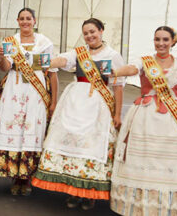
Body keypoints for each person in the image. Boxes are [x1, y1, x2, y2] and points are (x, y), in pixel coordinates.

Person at [109, 26, 177, 215]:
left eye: (165, 40)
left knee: (171, 162)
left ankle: (169, 206)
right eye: (157, 39)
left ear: (172, 41)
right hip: (146, 116)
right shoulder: (144, 61)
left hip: (173, 120)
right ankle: (140, 206)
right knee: (144, 157)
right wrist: (117, 72)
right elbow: (132, 68)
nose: (160, 43)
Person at [31, 18, 124, 210]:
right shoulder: (78, 53)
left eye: (93, 32)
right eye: (86, 33)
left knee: (91, 146)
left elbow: (119, 86)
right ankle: (73, 190)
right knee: (73, 142)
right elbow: (63, 60)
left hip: (99, 106)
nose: (90, 36)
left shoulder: (112, 55)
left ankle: (89, 194)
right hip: (76, 103)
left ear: (101, 30)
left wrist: (117, 114)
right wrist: (40, 60)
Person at [0, 8, 59, 196]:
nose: (25, 22)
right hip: (14, 90)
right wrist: (3, 57)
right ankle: (16, 176)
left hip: (37, 92)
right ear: (17, 21)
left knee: (33, 131)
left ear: (34, 21)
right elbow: (5, 67)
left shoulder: (44, 42)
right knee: (15, 130)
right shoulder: (10, 41)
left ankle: (28, 177)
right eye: (21, 19)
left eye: (28, 18)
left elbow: (52, 74)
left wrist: (54, 101)